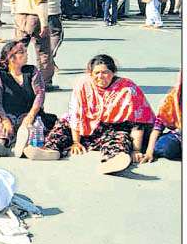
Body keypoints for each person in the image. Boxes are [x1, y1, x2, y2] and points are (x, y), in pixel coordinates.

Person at [27, 55, 155, 175]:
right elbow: (76, 114)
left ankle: (114, 160)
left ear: (113, 73)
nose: (101, 77)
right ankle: (51, 150)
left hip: (113, 129)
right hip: (85, 127)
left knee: (120, 138)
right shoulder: (83, 84)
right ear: (90, 73)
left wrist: (136, 150)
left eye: (105, 72)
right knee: (62, 124)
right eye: (96, 73)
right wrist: (76, 142)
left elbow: (137, 122)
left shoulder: (127, 88)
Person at [0, 41, 57, 158]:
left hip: (30, 114)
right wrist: (5, 120)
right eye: (22, 52)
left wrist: (30, 116)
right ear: (11, 58)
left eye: (25, 51)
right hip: (9, 116)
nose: (27, 54)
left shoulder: (32, 71)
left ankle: (25, 149)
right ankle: (0, 146)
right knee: (3, 130)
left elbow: (40, 94)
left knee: (29, 129)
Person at [12, 0, 56, 90]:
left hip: (20, 15)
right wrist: (44, 23)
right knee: (43, 51)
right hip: (35, 16)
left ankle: (16, 79)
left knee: (18, 49)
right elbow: (40, 0)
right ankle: (44, 82)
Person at [141, 71, 182, 163]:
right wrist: (149, 152)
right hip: (180, 136)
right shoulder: (172, 99)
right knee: (165, 147)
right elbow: (157, 127)